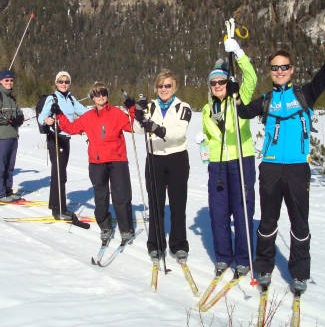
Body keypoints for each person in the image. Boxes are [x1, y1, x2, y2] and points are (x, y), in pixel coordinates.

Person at [236, 24, 325, 295]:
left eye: (284, 67)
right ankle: (263, 267)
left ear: (292, 69)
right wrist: (234, 93)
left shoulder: (304, 95)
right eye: (275, 68)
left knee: (299, 223)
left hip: (298, 167)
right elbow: (244, 112)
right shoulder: (266, 100)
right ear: (270, 72)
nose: (280, 71)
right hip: (271, 167)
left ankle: (299, 273)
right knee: (268, 221)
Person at [199, 37, 257, 278]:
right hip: (217, 164)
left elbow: (251, 78)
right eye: (214, 83)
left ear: (227, 81)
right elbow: (209, 136)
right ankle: (223, 256)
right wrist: (204, 144)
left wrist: (239, 54)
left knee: (243, 211)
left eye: (221, 81)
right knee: (219, 213)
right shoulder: (207, 109)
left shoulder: (238, 99)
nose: (218, 86)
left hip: (242, 160)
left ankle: (244, 258)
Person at [53, 82, 135, 245]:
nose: (100, 96)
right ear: (92, 97)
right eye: (96, 94)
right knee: (101, 197)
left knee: (122, 196)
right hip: (97, 162)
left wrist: (132, 108)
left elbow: (133, 126)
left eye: (103, 92)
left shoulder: (117, 113)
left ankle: (126, 229)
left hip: (117, 160)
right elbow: (70, 128)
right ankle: (105, 227)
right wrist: (59, 115)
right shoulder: (88, 117)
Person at [131, 69, 192, 263]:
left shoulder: (183, 106)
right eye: (160, 86)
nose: (164, 89)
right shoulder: (151, 106)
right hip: (155, 158)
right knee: (155, 203)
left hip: (177, 159)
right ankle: (156, 244)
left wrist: (157, 129)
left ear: (174, 87)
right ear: (155, 87)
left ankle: (179, 244)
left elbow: (179, 132)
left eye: (167, 86)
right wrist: (139, 112)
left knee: (177, 203)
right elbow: (137, 129)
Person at [38, 71, 89, 220]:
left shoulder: (71, 99)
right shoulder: (52, 98)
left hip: (66, 138)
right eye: (61, 81)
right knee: (60, 173)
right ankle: (59, 210)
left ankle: (53, 204)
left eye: (66, 82)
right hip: (55, 138)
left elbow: (84, 113)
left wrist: (99, 111)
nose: (64, 84)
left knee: (59, 172)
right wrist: (47, 120)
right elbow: (41, 117)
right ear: (56, 83)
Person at [0, 69, 24, 202]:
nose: (9, 82)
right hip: (2, 136)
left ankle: (8, 190)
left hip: (13, 136)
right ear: (1, 81)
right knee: (1, 166)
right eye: (6, 80)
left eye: (11, 80)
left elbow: (19, 113)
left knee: (10, 166)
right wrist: (9, 120)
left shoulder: (11, 97)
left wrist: (18, 119)